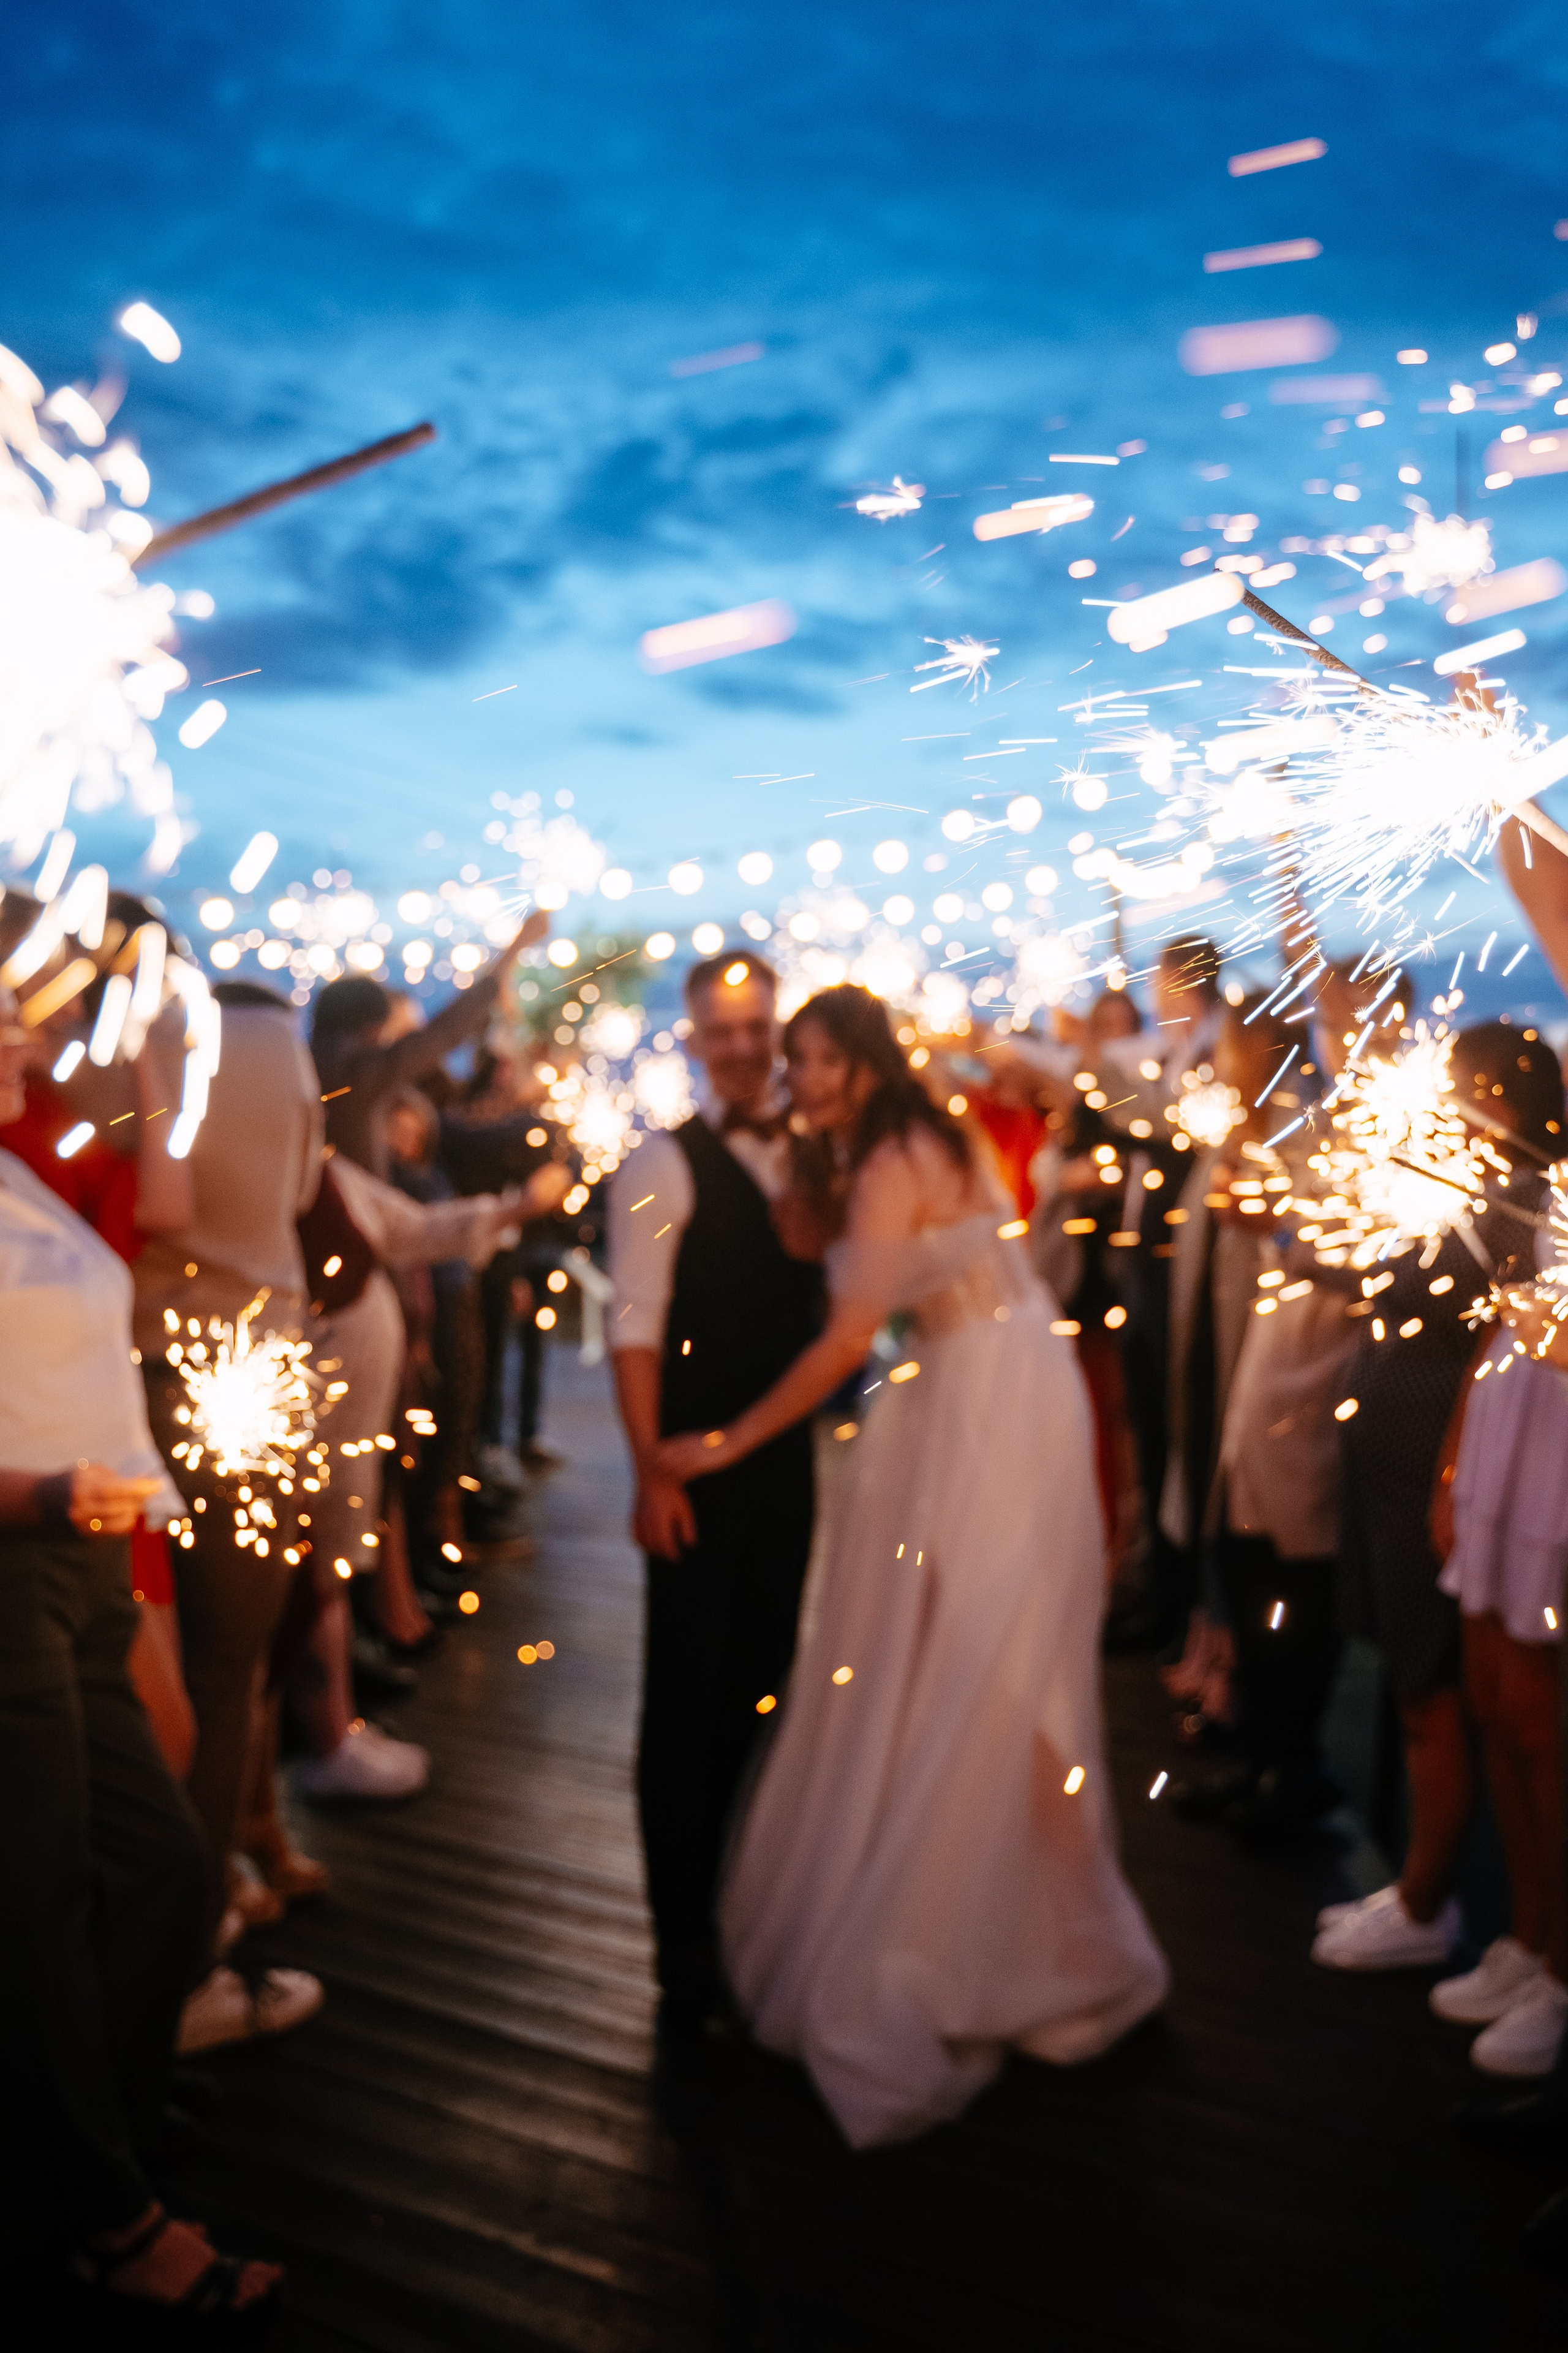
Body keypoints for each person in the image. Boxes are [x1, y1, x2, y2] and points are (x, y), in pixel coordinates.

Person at [659, 983, 1167, 2147]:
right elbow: (814, 1243)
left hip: (980, 1396)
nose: (807, 1077)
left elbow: (845, 1338)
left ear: (867, 1061)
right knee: (971, 1652)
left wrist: (727, 1439)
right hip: (987, 1379)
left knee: (981, 1653)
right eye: (800, 1060)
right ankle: (1033, 1911)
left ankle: (989, 1928)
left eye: (822, 1059)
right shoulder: (897, 1139)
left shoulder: (895, 1156)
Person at [0, 985, 282, 2324]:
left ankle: (77, 2159)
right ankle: (109, 2221)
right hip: (13, 1561)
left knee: (165, 1865)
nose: (23, 1036)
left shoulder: (29, 1168)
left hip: (87, 1560)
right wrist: (46, 1498)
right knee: (40, 1903)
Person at [606, 949, 824, 2023]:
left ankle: (742, 1894)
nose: (742, 1047)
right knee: (684, 1706)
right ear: (694, 1041)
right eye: (721, 1031)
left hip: (787, 1466)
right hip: (694, 1468)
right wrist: (651, 1471)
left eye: (757, 1027)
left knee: (765, 1682)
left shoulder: (814, 1159)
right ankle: (679, 1940)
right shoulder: (660, 1167)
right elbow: (632, 1328)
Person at [1315, 1023, 1553, 1974]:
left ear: (1497, 1094)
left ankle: (1432, 1900)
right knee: (1428, 1685)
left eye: (1457, 1086)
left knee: (1435, 1685)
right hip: (1402, 1464)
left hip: (1438, 1470)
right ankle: (1437, 1895)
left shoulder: (1520, 1202)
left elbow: (1454, 1320)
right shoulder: (1460, 1188)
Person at [311, 909, 548, 1180]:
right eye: (398, 1031)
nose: (406, 1041)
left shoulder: (305, 1067)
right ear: (372, 1029)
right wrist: (513, 953)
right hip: (357, 1216)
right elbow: (445, 1033)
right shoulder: (356, 1076)